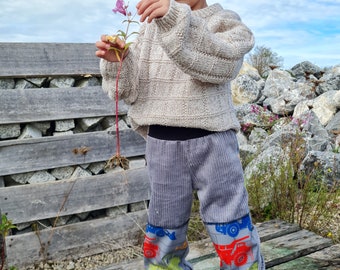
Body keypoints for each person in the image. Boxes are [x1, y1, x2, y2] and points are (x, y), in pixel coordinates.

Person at [96, 0, 265, 269]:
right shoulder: (150, 28)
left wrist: (175, 17)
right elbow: (129, 92)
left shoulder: (225, 21)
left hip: (214, 143)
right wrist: (120, 62)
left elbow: (222, 65)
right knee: (164, 228)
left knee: (230, 222)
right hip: (162, 146)